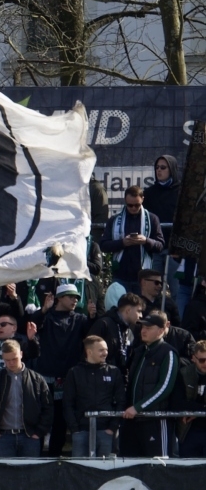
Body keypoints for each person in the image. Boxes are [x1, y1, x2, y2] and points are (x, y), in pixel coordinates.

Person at [0, 339, 52, 456]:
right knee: (5, 473)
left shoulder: (37, 379)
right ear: (2, 357)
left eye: (15, 359)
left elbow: (47, 407)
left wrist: (39, 432)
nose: (11, 363)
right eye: (7, 360)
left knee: (30, 473)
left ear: (21, 354)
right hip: (3, 437)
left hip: (29, 436)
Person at [122, 312, 180, 457]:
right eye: (142, 327)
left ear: (161, 330)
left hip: (156, 420)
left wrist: (138, 407)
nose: (143, 330)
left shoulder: (168, 353)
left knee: (160, 467)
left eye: (149, 327)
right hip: (134, 421)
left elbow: (165, 387)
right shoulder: (139, 352)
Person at [61, 335, 123, 458]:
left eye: (106, 349)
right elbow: (67, 402)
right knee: (80, 470)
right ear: (89, 352)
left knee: (107, 471)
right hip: (81, 431)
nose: (105, 353)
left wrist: (112, 428)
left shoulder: (114, 372)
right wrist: (75, 429)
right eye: (101, 350)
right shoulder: (74, 372)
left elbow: (121, 401)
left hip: (106, 430)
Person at [103, 187, 165, 289]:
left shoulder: (152, 219)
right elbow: (104, 245)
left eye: (137, 205)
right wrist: (122, 243)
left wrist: (145, 241)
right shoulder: (114, 220)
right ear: (125, 202)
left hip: (144, 276)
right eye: (130, 205)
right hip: (120, 275)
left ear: (142, 200)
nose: (133, 208)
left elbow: (160, 245)